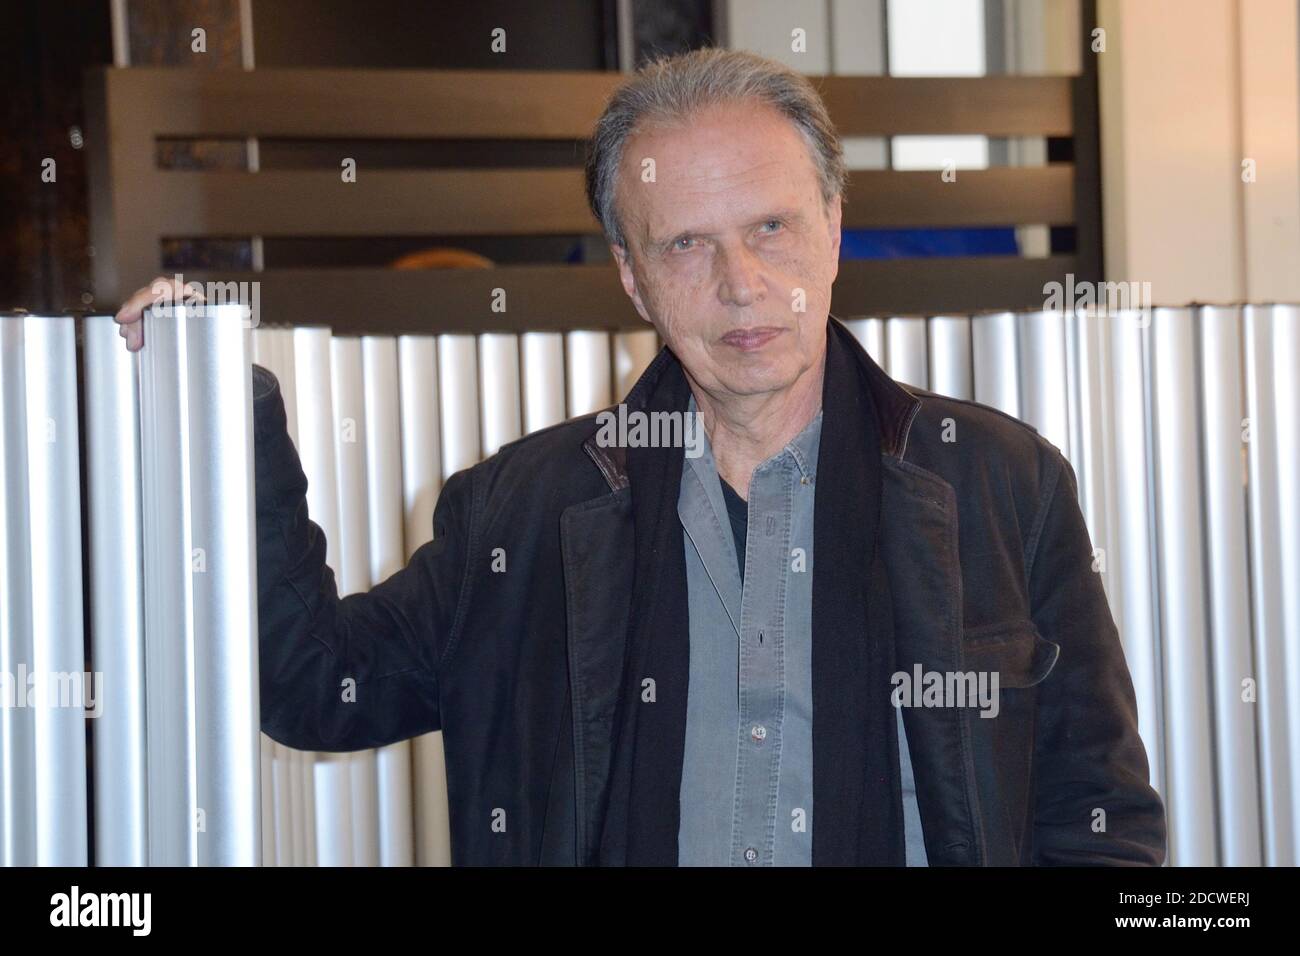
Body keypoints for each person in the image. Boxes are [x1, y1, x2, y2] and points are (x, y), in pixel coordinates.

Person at [114, 47, 1166, 866]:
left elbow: (1099, 817)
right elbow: (318, 686)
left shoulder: (996, 481)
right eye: (685, 245)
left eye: (770, 227)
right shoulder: (519, 512)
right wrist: (221, 407)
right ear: (629, 273)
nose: (741, 282)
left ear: (834, 226)